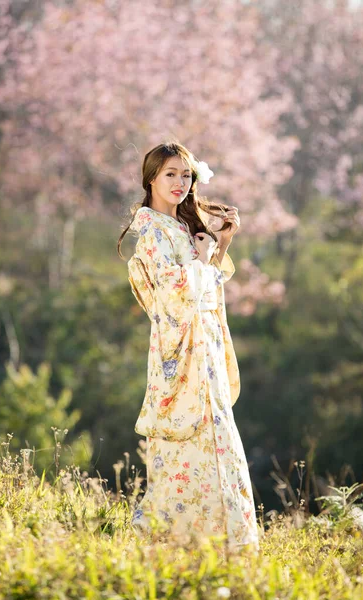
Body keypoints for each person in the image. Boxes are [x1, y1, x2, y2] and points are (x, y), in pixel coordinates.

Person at [118, 141, 259, 554]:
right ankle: (182, 546)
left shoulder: (178, 227)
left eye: (186, 175)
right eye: (170, 175)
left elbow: (204, 289)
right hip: (181, 359)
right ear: (151, 179)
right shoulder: (151, 235)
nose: (180, 183)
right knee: (187, 450)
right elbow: (174, 298)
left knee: (217, 444)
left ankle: (223, 546)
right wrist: (201, 260)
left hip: (205, 353)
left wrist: (220, 247)